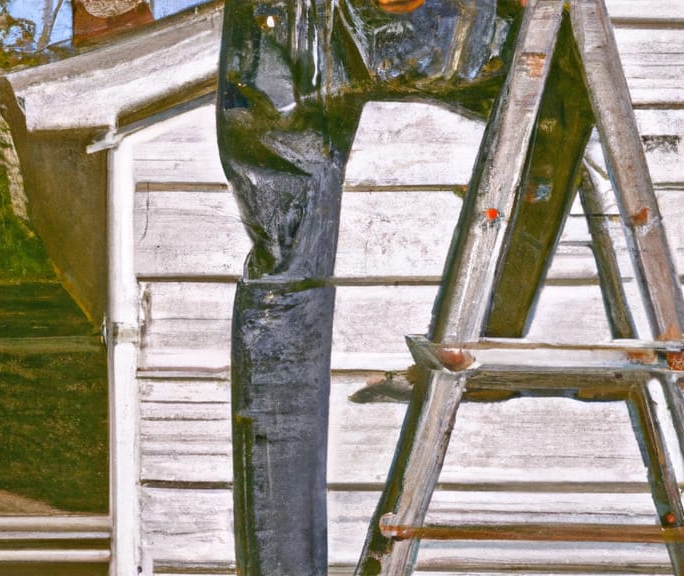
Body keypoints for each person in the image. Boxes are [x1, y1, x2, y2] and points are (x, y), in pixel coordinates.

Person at [216, 1, 522, 573]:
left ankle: (498, 337)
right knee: (548, 92)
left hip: (288, 25)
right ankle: (499, 336)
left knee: (285, 272)